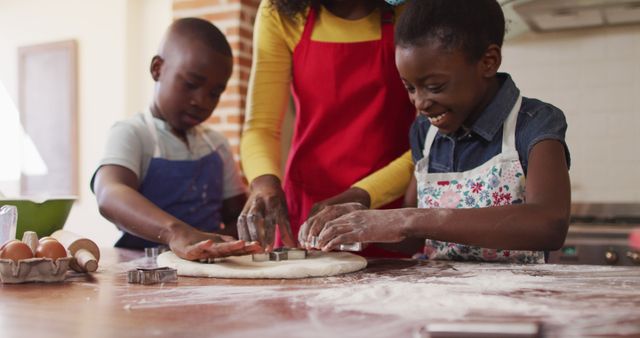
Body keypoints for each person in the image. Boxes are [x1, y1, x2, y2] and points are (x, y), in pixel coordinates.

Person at [301, 0, 572, 263]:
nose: (420, 103)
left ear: (488, 62)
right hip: (439, 301)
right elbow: (414, 238)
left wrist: (408, 219)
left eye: (435, 86)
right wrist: (362, 223)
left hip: (517, 300)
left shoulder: (534, 123)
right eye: (409, 88)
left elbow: (548, 224)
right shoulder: (425, 133)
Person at [237, 0, 418, 255]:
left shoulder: (409, 10)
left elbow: (429, 142)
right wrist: (264, 182)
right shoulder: (281, 14)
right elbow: (261, 127)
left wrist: (367, 194)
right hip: (308, 209)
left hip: (387, 207)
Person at [91, 18, 261, 260]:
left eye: (215, 93)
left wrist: (221, 245)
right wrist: (176, 233)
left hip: (205, 270)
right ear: (157, 69)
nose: (201, 102)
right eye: (191, 84)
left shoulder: (216, 146)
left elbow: (237, 215)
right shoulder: (132, 133)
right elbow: (109, 193)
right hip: (141, 270)